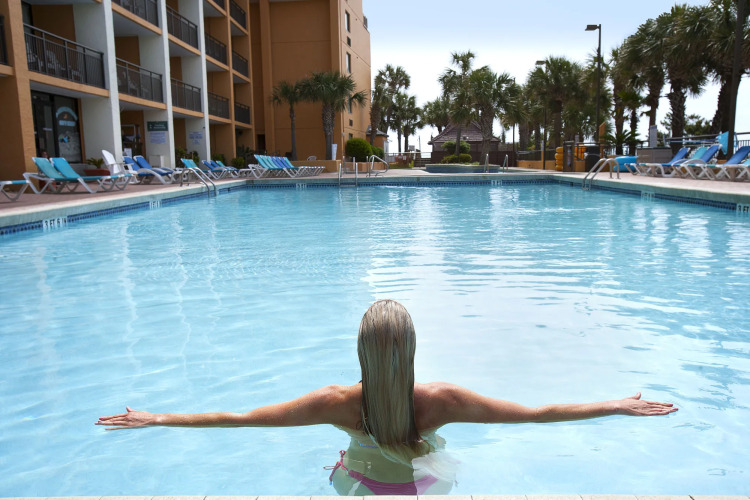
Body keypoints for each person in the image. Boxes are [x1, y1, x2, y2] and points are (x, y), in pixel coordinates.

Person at [97, 299, 677, 495]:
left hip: (358, 484)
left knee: (340, 465)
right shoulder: (443, 400)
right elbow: (535, 415)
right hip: (429, 483)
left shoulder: (335, 403)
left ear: (360, 350)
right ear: (414, 349)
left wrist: (160, 418)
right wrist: (613, 404)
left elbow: (244, 420)